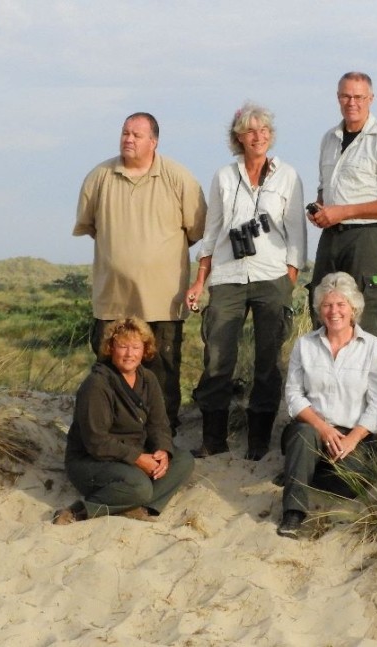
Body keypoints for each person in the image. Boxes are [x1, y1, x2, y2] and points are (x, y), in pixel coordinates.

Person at [185, 102, 307, 460]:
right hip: (227, 275)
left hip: (272, 275)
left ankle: (258, 442)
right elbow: (211, 233)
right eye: (251, 130)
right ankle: (214, 439)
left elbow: (296, 231)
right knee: (217, 356)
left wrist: (290, 276)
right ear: (238, 137)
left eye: (264, 130)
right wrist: (200, 280)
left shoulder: (288, 175)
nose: (259, 136)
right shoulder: (224, 176)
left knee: (268, 361)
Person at [73, 112, 207, 433]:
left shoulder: (179, 178)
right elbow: (92, 226)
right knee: (108, 368)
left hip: (163, 300)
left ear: (153, 142)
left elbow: (198, 228)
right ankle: (110, 429)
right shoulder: (99, 177)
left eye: (136, 134)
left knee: (161, 370)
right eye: (124, 133)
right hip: (112, 298)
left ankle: (163, 433)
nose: (128, 139)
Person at [277, 272, 377, 539]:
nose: (334, 311)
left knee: (355, 483)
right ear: (319, 310)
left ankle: (299, 471)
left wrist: (352, 438)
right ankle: (293, 512)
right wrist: (323, 429)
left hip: (353, 436)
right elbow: (293, 395)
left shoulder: (373, 348)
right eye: (327, 305)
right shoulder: (305, 345)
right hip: (310, 428)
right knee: (304, 437)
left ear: (353, 309)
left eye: (341, 305)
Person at [54, 317, 195, 524]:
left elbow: (159, 424)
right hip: (92, 461)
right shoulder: (96, 384)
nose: (130, 354)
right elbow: (96, 442)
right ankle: (80, 510)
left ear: (144, 350)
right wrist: (138, 458)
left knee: (183, 460)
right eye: (123, 346)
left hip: (133, 454)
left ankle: (138, 507)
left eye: (136, 347)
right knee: (139, 486)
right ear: (111, 348)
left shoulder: (148, 379)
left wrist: (163, 450)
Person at [306, 72, 377, 338]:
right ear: (338, 97)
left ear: (371, 99)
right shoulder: (328, 139)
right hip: (331, 237)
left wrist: (344, 211)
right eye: (345, 96)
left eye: (358, 96)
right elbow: (325, 189)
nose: (351, 102)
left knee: (364, 316)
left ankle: (367, 379)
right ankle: (324, 377)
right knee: (322, 310)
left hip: (367, 238)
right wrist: (322, 210)